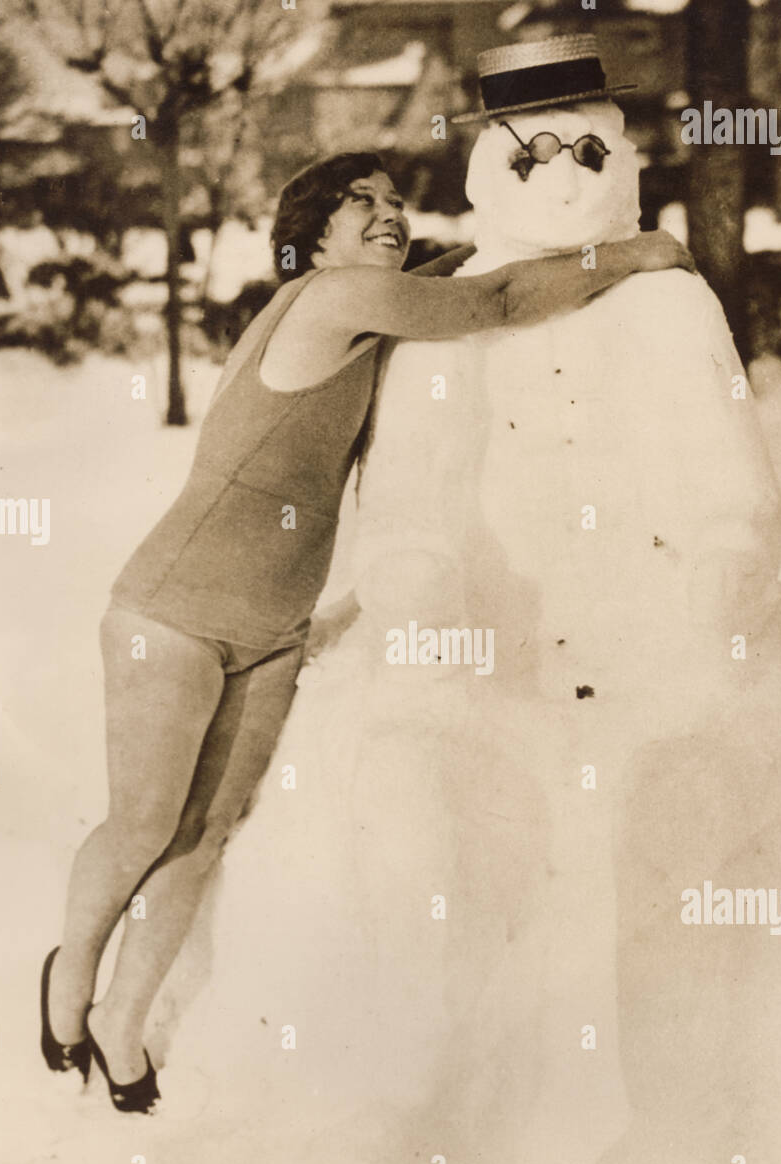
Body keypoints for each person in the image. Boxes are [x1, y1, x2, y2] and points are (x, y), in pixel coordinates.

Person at [40, 147, 697, 1113]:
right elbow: (496, 303)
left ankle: (122, 1021)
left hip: (273, 632)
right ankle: (67, 984)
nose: (389, 214)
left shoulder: (363, 304)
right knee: (144, 821)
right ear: (310, 237)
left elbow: (461, 280)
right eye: (361, 203)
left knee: (205, 830)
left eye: (396, 202)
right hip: (172, 613)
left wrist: (510, 244)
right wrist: (628, 257)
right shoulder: (329, 300)